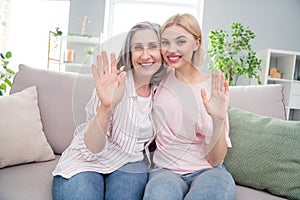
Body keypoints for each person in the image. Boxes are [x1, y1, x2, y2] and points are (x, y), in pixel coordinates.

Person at [52, 21, 165, 200]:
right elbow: (92, 150)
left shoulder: (163, 90)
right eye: (137, 47)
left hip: (130, 162)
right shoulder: (112, 83)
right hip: (86, 160)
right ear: (129, 54)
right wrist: (106, 108)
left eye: (152, 46)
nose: (145, 55)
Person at [143, 13, 236, 200]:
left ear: (196, 43)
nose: (171, 49)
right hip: (165, 170)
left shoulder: (212, 87)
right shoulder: (158, 78)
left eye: (180, 42)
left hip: (208, 171)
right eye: (166, 42)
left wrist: (218, 119)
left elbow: (215, 159)